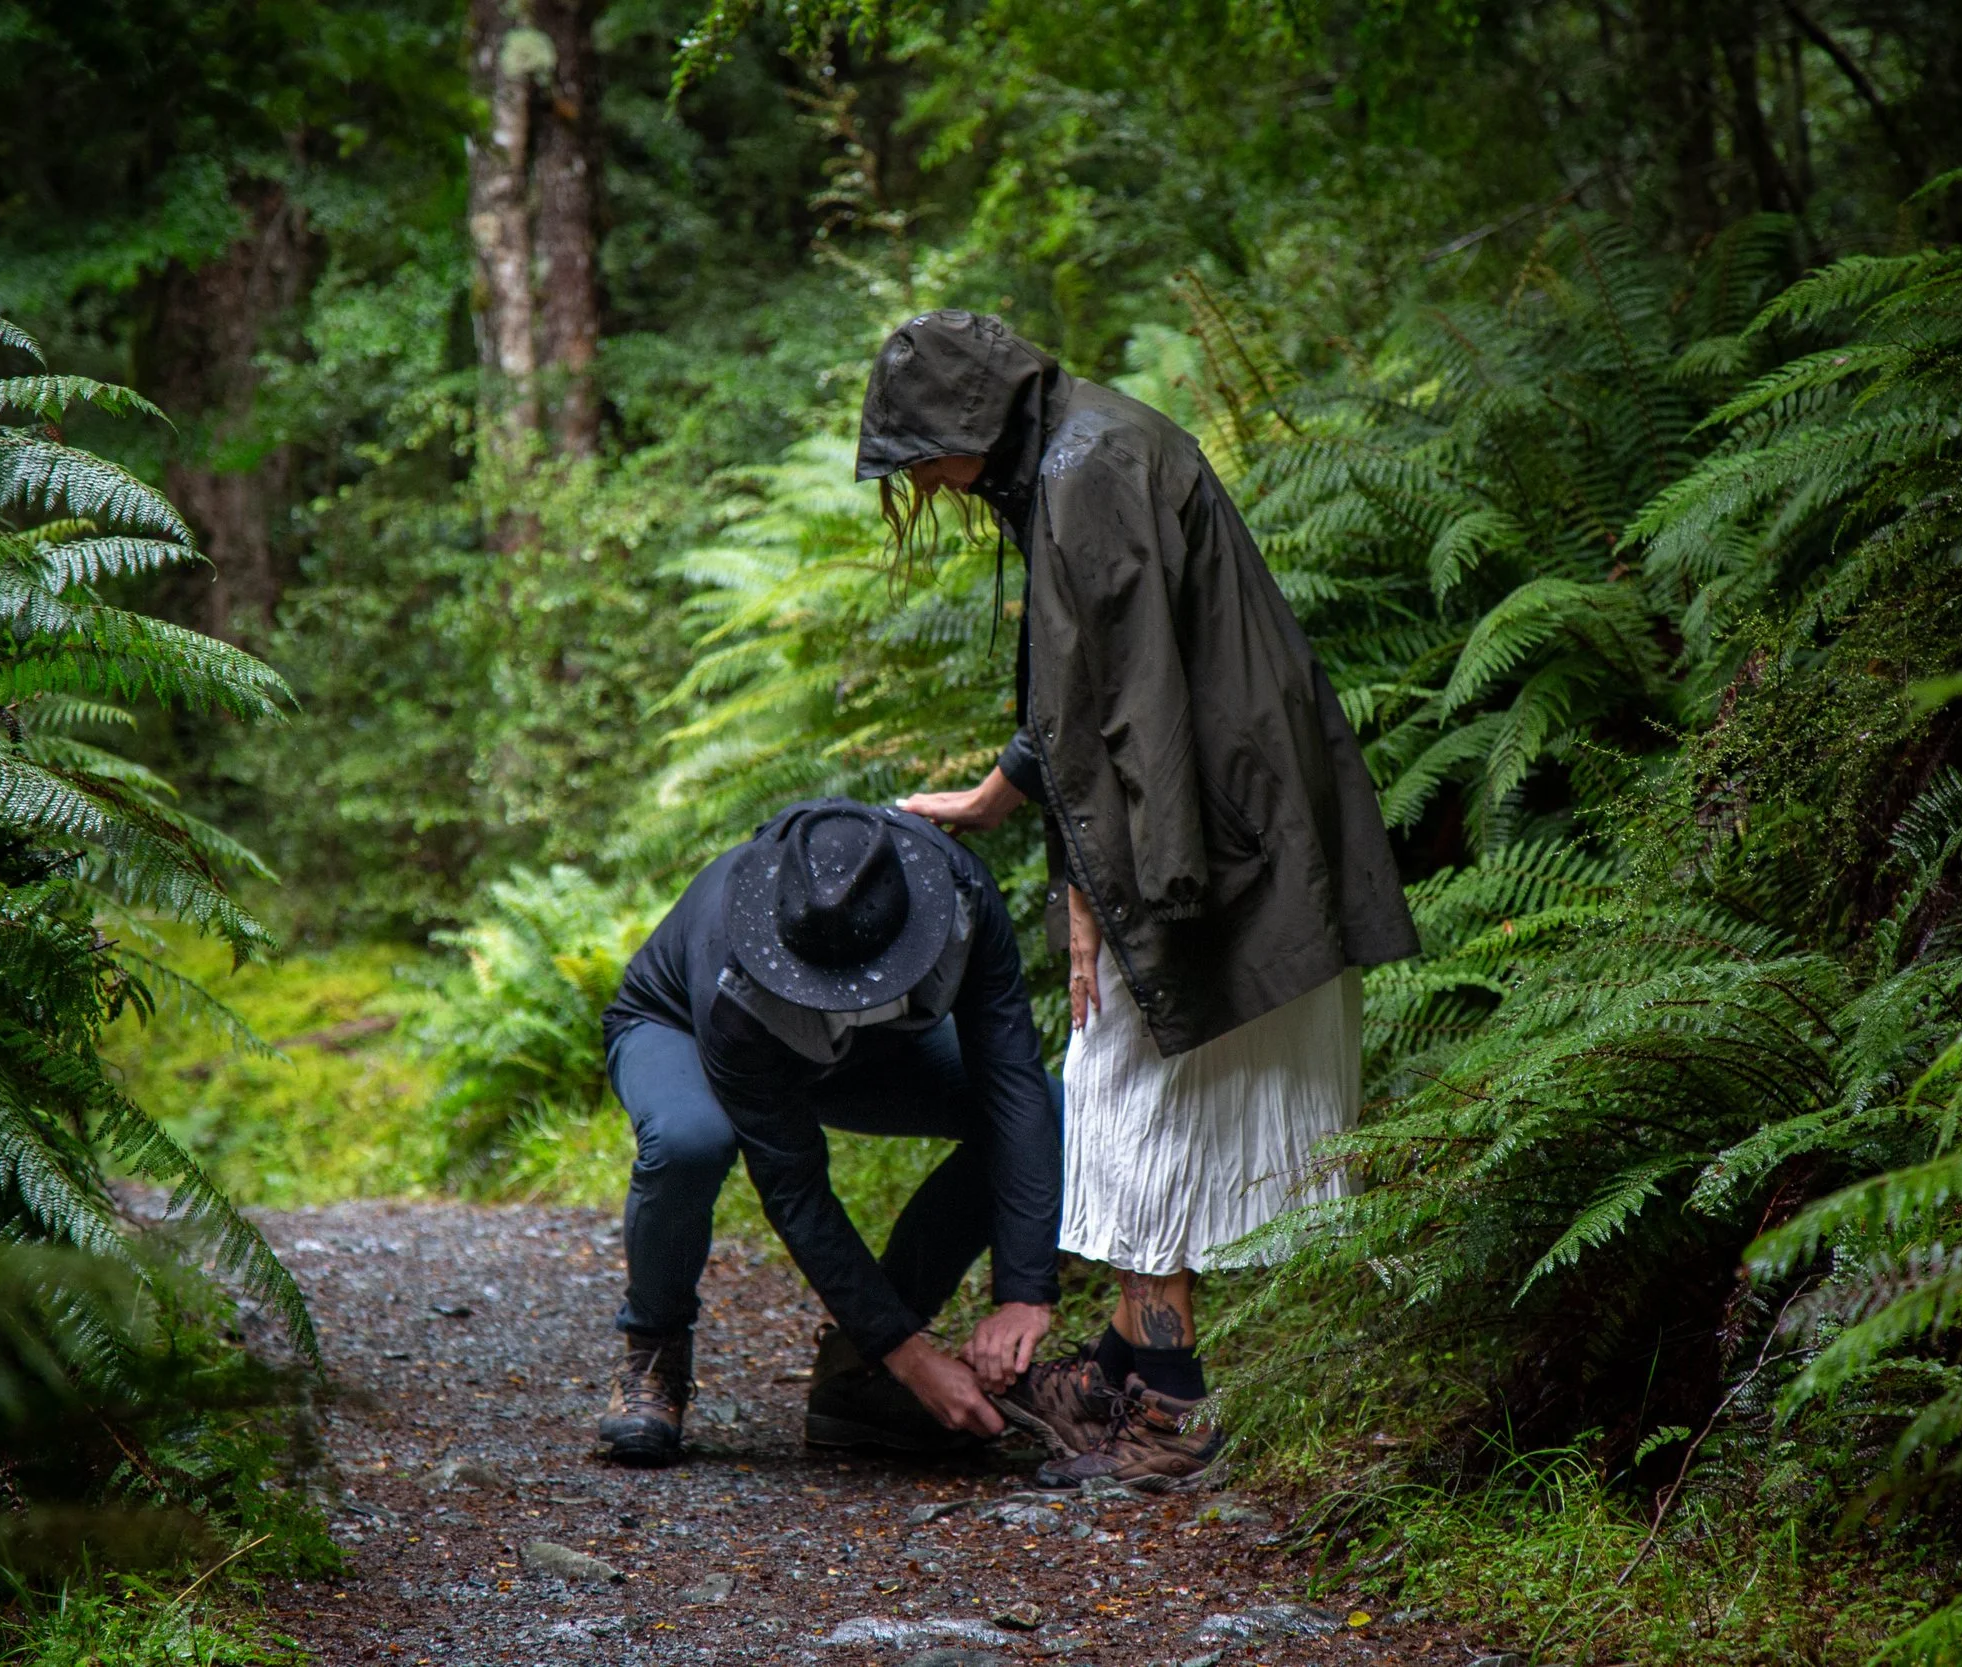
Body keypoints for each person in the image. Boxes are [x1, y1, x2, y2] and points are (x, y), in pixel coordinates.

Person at [862, 311, 1421, 1487]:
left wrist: (1119, 899)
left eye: (920, 459)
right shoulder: (1073, 448)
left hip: (1197, 831)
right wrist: (997, 795)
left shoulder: (1089, 469)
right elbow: (1087, 680)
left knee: (1133, 1088)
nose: (927, 484)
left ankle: (1166, 1411)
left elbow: (1142, 706)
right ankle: (1124, 1364)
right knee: (1140, 1086)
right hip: (1217, 813)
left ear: (967, 421)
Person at [595, 796, 1062, 1466]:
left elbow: (1011, 1082)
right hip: (687, 1029)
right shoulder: (734, 988)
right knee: (691, 1139)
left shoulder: (957, 890)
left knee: (1053, 1112)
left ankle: (854, 1375)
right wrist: (914, 1357)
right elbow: (795, 1189)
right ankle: (655, 1353)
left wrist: (1024, 1289)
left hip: (859, 1050)